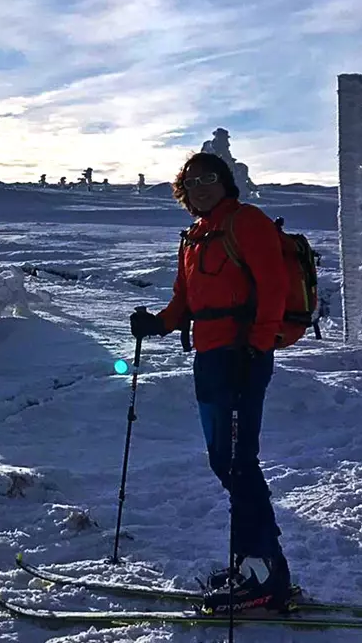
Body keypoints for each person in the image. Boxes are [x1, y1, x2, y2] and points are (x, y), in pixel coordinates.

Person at [129, 152, 291, 614]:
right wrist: (156, 325)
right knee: (224, 459)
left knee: (239, 461)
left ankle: (263, 571)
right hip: (210, 358)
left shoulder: (247, 222)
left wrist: (257, 348)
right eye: (191, 181)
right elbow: (184, 300)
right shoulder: (195, 237)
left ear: (226, 182)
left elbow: (274, 285)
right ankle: (255, 565)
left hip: (242, 356)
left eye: (209, 178)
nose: (201, 187)